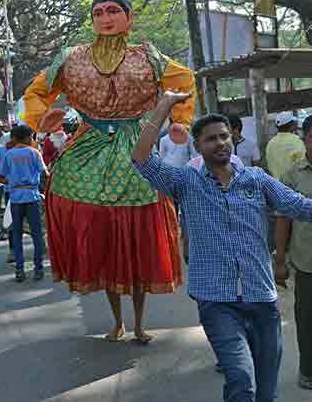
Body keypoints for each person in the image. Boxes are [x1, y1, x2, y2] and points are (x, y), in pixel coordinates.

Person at [22, 0, 195, 342]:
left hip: (136, 146)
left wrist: (180, 120)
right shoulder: (71, 57)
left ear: (129, 18)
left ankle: (141, 322)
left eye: (113, 11)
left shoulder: (149, 56)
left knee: (140, 237)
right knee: (100, 238)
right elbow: (35, 92)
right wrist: (42, 118)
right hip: (89, 146)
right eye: (99, 13)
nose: (105, 18)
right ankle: (117, 320)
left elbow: (184, 81)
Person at [132, 91, 312, 402]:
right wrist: (165, 104)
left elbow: (298, 206)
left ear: (233, 139)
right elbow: (141, 159)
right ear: (198, 146)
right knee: (242, 379)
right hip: (217, 301)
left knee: (266, 392)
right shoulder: (186, 182)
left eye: (225, 136)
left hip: (262, 298)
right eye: (211, 139)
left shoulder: (256, 179)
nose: (220, 143)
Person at [275, 114, 312, 390]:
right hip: (306, 262)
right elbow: (283, 219)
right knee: (307, 320)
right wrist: (279, 261)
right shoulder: (292, 175)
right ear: (305, 138)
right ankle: (308, 370)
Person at [0, 125, 48, 282]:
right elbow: (45, 173)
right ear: (26, 137)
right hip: (32, 198)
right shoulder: (34, 153)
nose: (32, 140)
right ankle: (38, 269)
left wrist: (11, 182)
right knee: (37, 234)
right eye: (31, 137)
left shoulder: (8, 155)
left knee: (17, 234)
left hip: (16, 199)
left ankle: (19, 270)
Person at [0, 135, 15, 261]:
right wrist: (5, 181)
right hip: (9, 192)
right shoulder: (1, 152)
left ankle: (40, 246)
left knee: (34, 223)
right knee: (11, 222)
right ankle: (13, 251)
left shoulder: (30, 150)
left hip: (30, 194)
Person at [266, 111, 305, 180]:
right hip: (295, 185)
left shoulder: (270, 144)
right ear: (291, 126)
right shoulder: (297, 141)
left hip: (277, 186)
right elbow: (303, 163)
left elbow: (269, 166)